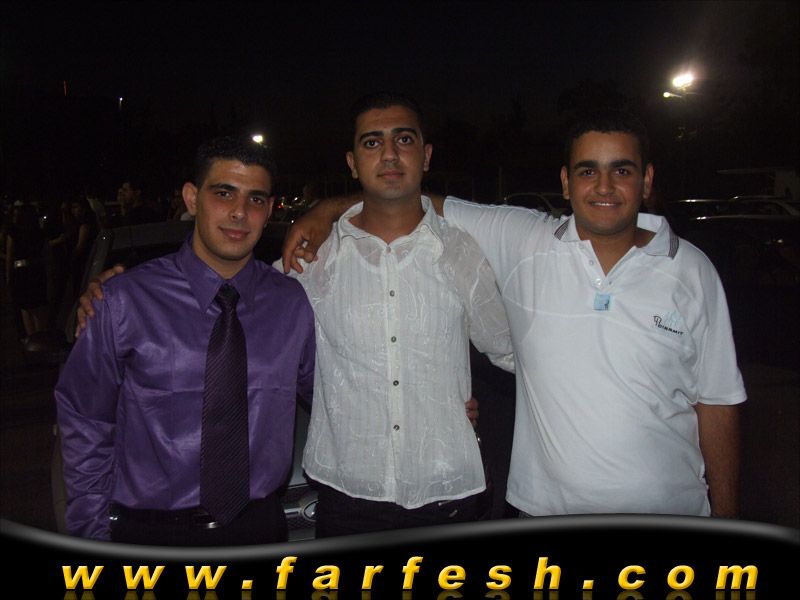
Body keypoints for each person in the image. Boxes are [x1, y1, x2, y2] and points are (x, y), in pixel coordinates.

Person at [76, 92, 510, 538]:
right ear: (352, 162)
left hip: (431, 496)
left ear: (426, 155)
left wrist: (439, 404)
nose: (389, 153)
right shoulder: (307, 269)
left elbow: (511, 354)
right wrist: (109, 298)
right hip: (316, 510)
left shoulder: (459, 252)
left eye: (403, 139)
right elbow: (84, 417)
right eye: (372, 142)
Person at [283, 107, 747, 519]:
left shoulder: (691, 271)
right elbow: (406, 199)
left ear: (646, 180)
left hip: (670, 515)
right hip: (546, 513)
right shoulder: (524, 240)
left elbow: (718, 401)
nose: (604, 186)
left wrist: (727, 517)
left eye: (621, 170)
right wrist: (326, 210)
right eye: (587, 171)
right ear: (565, 182)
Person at [55, 135, 316, 545]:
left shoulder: (291, 303)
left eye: (255, 199)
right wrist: (91, 534)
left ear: (269, 210)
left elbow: (334, 396)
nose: (239, 212)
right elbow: (85, 420)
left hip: (260, 528)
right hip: (150, 533)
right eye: (224, 193)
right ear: (192, 198)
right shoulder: (124, 302)